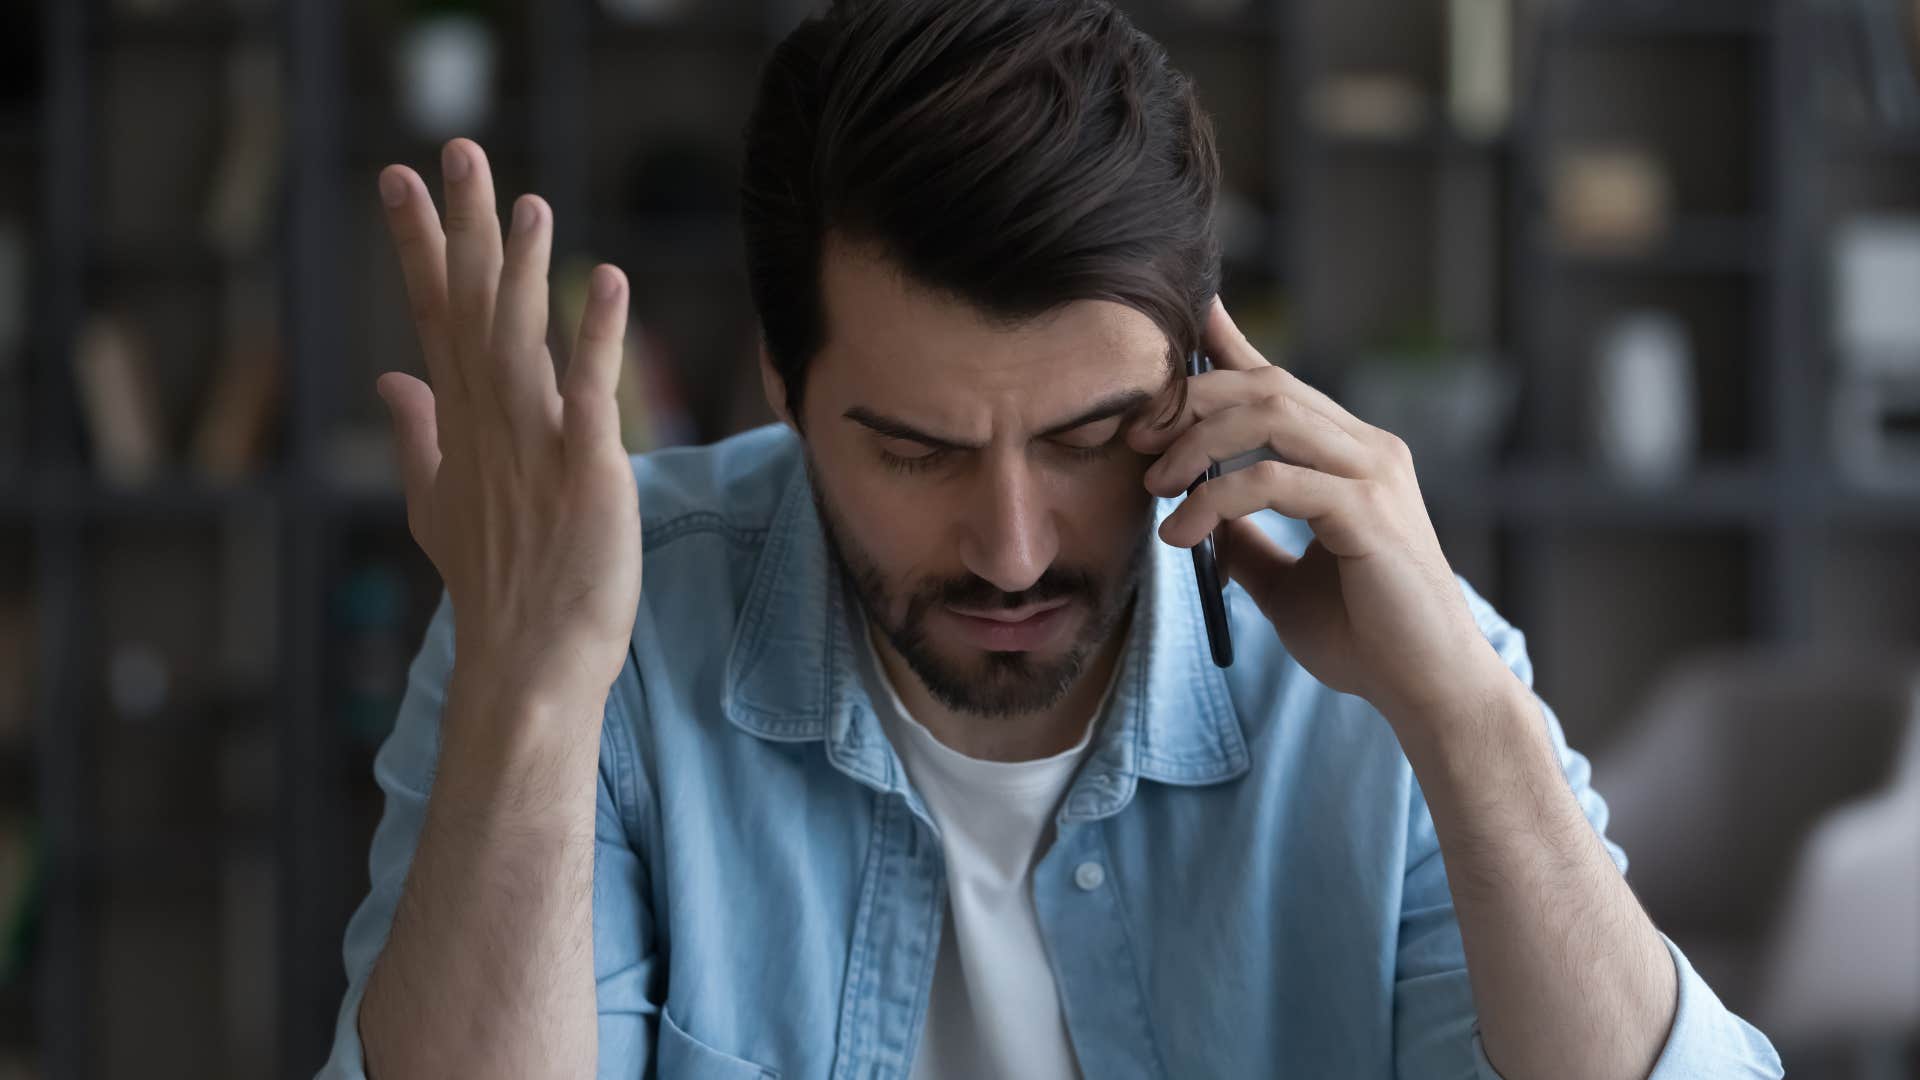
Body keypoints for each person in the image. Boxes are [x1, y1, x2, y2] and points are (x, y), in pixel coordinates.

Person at [319, 1, 1784, 1077]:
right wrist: (530, 694)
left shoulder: (1396, 672)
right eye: (916, 450)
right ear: (784, 378)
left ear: (1205, 374)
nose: (1014, 550)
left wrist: (1469, 720)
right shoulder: (589, 629)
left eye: (1089, 438)